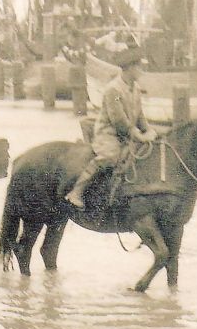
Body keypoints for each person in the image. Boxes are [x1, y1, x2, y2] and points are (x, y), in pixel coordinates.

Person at [66, 45, 157, 209]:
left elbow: (139, 115)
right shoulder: (113, 90)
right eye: (139, 67)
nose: (142, 70)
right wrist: (139, 136)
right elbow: (119, 122)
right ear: (129, 68)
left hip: (127, 133)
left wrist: (148, 130)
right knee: (110, 156)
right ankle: (77, 191)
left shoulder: (135, 88)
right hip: (109, 134)